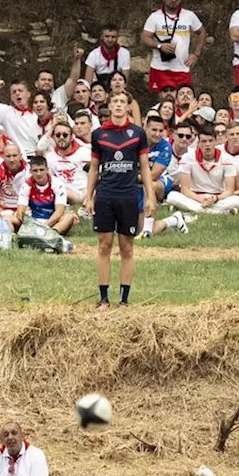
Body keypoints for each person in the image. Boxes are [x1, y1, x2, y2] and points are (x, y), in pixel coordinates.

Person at [85, 89, 155, 310]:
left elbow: (144, 166)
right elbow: (94, 167)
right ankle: (104, 298)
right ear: (109, 105)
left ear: (128, 106)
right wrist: (88, 196)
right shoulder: (98, 134)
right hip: (105, 195)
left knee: (127, 247)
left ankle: (124, 300)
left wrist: (150, 196)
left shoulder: (137, 134)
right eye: (114, 101)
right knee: (104, 245)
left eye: (122, 101)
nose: (118, 105)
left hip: (128, 195)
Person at [141, 0, 205, 94]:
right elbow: (145, 37)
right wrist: (159, 46)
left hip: (181, 68)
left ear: (181, 0)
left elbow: (202, 32)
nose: (173, 0)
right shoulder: (155, 17)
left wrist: (196, 54)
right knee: (161, 99)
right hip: (159, 67)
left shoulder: (189, 15)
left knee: (183, 99)